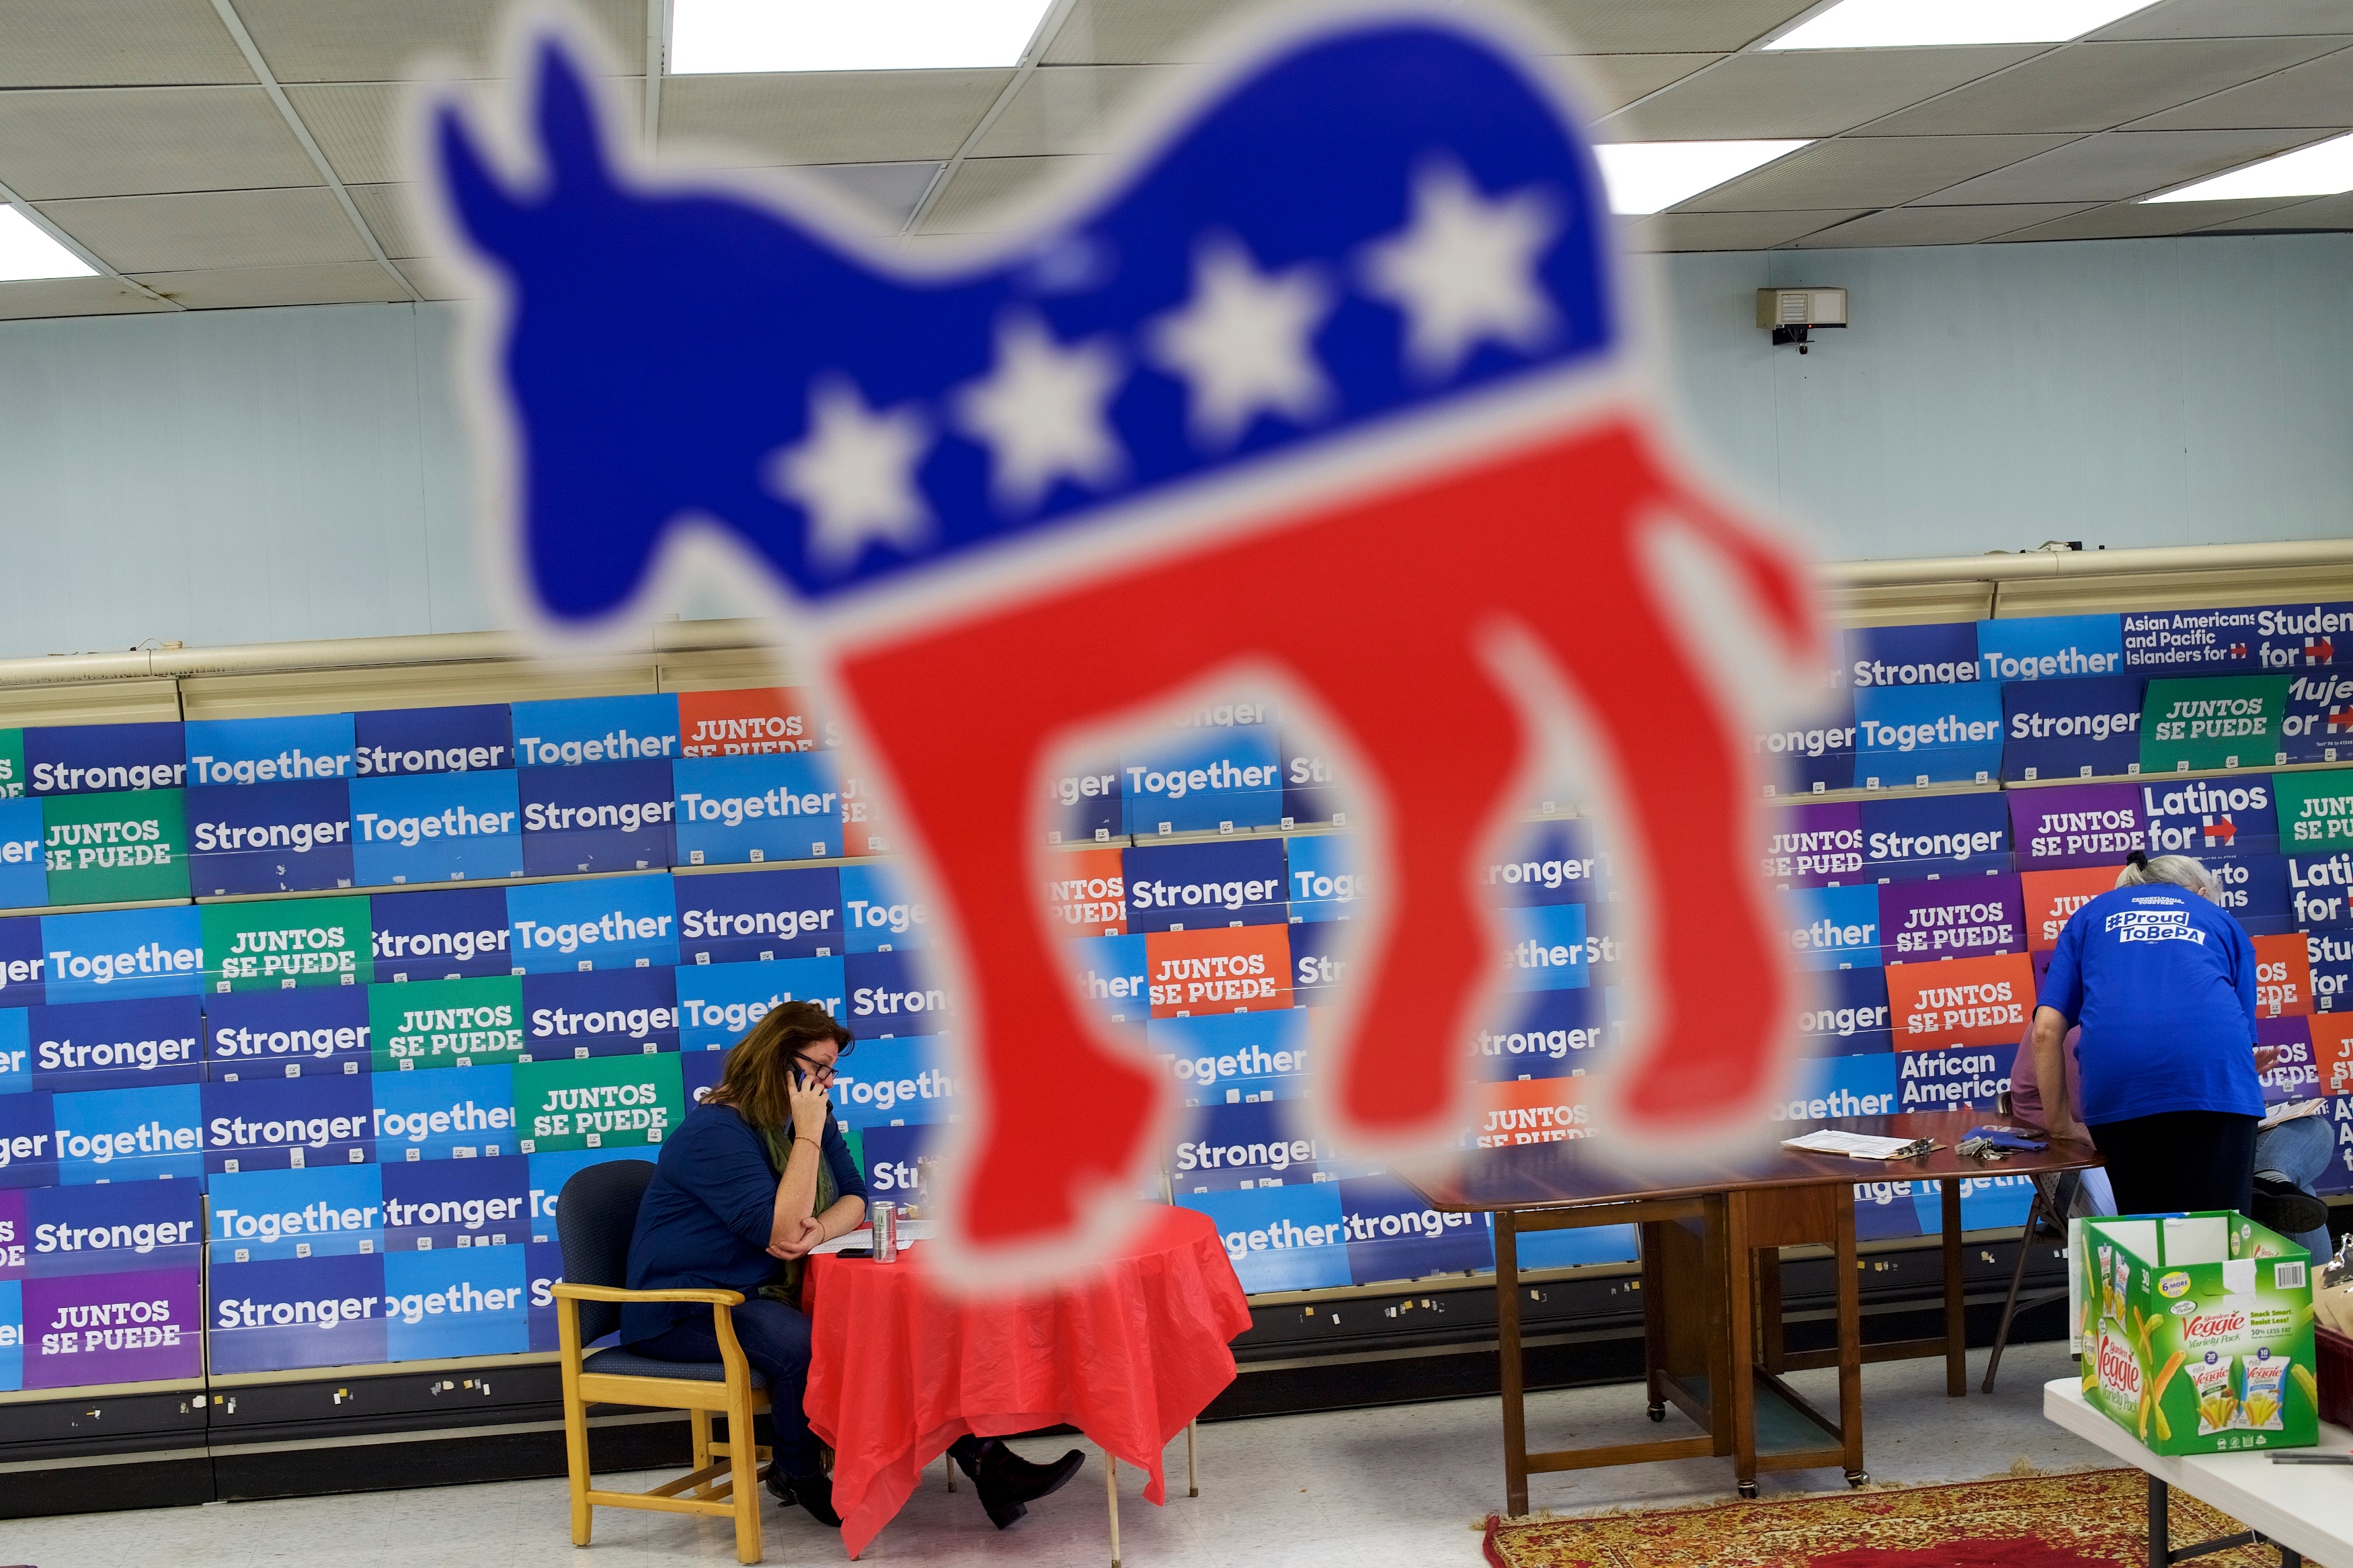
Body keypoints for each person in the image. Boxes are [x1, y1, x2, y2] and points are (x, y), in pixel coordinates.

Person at [621, 1001, 1084, 1530]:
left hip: (758, 1290)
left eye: (831, 1070)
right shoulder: (716, 1132)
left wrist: (820, 1229)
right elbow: (779, 1229)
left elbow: (856, 1197)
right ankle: (796, 1471)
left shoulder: (800, 1118)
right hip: (685, 1308)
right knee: (802, 1345)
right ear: (779, 1059)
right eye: (818, 1067)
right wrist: (808, 1137)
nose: (827, 1082)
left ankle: (990, 1465)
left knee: (893, 1328)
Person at [2026, 852, 2263, 1219]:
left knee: (2145, 1234)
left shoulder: (2089, 916)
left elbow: (2044, 1033)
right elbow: (2242, 1038)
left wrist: (2060, 1126)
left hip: (2119, 1087)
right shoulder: (2220, 921)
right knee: (2219, 1235)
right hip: (2213, 1083)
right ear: (2200, 892)